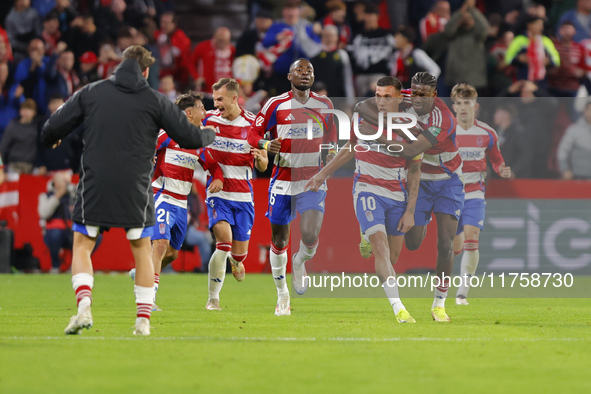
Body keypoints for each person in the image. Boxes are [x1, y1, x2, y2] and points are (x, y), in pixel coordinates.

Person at [41, 45, 216, 336]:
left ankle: (84, 307)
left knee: (83, 244)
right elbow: (188, 136)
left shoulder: (91, 91)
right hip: (136, 185)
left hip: (96, 181)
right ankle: (143, 321)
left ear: (120, 65)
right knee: (142, 251)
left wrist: (52, 140)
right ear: (146, 71)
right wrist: (211, 133)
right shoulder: (156, 100)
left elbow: (52, 127)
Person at [305, 76, 421, 323]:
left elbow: (414, 170)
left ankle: (366, 234)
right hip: (367, 188)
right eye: (378, 96)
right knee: (380, 249)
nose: (380, 101)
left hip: (397, 193)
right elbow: (350, 148)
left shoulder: (413, 127)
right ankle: (399, 308)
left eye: (387, 97)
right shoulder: (364, 118)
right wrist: (321, 175)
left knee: (391, 258)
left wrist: (410, 210)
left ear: (400, 98)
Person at [356, 71, 462, 322]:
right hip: (419, 180)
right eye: (413, 92)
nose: (416, 99)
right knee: (413, 243)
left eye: (423, 95)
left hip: (447, 180)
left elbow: (413, 150)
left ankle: (439, 304)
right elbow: (362, 106)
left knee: (445, 244)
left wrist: (379, 136)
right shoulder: (405, 99)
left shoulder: (443, 119)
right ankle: (367, 229)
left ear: (434, 95)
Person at [247, 58, 336, 316]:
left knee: (309, 236)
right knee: (279, 239)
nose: (305, 74)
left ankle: (300, 260)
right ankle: (282, 295)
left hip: (312, 179)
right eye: (300, 70)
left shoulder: (324, 104)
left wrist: (329, 154)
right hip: (283, 179)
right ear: (289, 76)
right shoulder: (276, 104)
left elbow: (330, 137)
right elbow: (254, 133)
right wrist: (265, 145)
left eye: (309, 70)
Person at [131, 91, 223, 310]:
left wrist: (218, 178)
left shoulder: (198, 140)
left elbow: (212, 165)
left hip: (181, 202)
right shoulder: (167, 134)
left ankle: (142, 272)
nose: (205, 111)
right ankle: (148, 298)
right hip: (161, 194)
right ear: (189, 113)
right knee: (160, 245)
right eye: (201, 107)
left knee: (171, 253)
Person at [203, 78, 268, 311]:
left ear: (234, 98)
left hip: (243, 197)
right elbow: (200, 151)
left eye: (220, 99)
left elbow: (263, 164)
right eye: (214, 100)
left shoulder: (253, 123)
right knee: (223, 243)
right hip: (217, 193)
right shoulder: (208, 120)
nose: (216, 104)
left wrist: (261, 159)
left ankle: (236, 261)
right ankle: (213, 299)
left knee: (238, 255)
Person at [450, 83, 511, 305]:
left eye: (468, 103)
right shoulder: (447, 132)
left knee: (472, 237)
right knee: (454, 246)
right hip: (450, 194)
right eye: (459, 103)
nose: (464, 107)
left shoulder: (487, 133)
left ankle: (462, 293)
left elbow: (496, 159)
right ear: (454, 107)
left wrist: (501, 168)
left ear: (476, 106)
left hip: (475, 192)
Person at [38, 171, 76, 273]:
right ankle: (55, 266)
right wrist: (58, 195)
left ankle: (76, 265)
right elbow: (43, 213)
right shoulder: (46, 195)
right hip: (53, 231)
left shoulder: (72, 196)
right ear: (55, 182)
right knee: (56, 234)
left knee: (94, 236)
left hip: (71, 230)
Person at [0, 98, 39, 174]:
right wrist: (1, 168)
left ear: (34, 112)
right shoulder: (13, 126)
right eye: (24, 109)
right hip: (14, 166)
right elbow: (2, 147)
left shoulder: (37, 127)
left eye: (29, 109)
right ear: (20, 111)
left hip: (31, 167)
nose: (26, 112)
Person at [557, 101, 591, 180]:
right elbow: (562, 151)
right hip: (578, 176)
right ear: (585, 111)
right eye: (589, 110)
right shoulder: (574, 130)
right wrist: (565, 169)